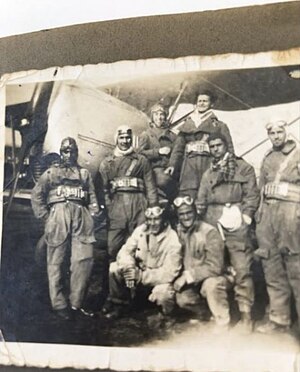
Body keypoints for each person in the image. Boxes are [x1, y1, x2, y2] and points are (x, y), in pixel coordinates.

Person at [196, 133, 260, 332]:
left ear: (226, 146)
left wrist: (246, 218)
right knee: (215, 268)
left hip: (236, 221)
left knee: (242, 270)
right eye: (212, 146)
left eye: (219, 145)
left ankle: (246, 315)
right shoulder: (209, 173)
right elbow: (201, 200)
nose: (215, 149)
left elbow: (252, 196)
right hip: (214, 222)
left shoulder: (243, 168)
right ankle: (220, 315)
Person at [31, 137, 100, 320]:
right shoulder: (51, 174)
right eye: (65, 151)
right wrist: (46, 217)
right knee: (56, 260)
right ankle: (59, 304)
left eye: (72, 151)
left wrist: (92, 214)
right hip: (58, 215)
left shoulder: (84, 174)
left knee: (83, 259)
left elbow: (92, 197)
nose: (69, 155)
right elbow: (36, 195)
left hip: (80, 215)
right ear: (61, 153)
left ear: (77, 153)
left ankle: (77, 303)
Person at [255, 120, 300, 334]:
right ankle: (280, 318)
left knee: (295, 267)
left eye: (279, 131)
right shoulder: (267, 157)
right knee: (271, 265)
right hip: (268, 214)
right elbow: (261, 187)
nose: (275, 136)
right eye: (271, 132)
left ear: (286, 132)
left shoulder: (297, 154)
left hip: (291, 214)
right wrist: (260, 213)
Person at [102, 206, 182, 322]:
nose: (152, 223)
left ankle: (165, 315)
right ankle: (120, 304)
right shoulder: (141, 230)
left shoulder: (173, 239)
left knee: (163, 294)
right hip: (138, 276)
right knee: (114, 268)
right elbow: (125, 251)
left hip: (158, 281)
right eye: (149, 219)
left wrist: (141, 276)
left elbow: (170, 273)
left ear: (164, 221)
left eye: (156, 219)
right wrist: (129, 266)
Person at [99, 125, 158, 261]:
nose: (125, 141)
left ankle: (138, 279)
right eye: (122, 138)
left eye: (127, 138)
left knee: (141, 246)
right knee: (113, 247)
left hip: (139, 204)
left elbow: (150, 186)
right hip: (117, 206)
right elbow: (104, 189)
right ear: (116, 139)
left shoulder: (142, 161)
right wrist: (110, 207)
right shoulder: (107, 163)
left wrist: (153, 206)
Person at [173, 196, 231, 330]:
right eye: (182, 214)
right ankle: (205, 313)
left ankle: (223, 321)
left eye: (189, 212)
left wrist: (187, 277)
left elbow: (215, 267)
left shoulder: (209, 232)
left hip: (216, 277)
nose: (186, 217)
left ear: (195, 212)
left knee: (211, 285)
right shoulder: (178, 232)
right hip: (195, 282)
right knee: (182, 299)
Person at [165, 90, 234, 199]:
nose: (201, 103)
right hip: (189, 169)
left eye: (205, 101)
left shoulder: (220, 126)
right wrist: (172, 165)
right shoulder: (186, 125)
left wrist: (227, 166)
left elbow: (229, 149)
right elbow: (178, 149)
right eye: (199, 101)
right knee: (188, 198)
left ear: (211, 104)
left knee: (209, 196)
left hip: (209, 166)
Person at [138, 103, 177, 201]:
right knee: (163, 181)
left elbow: (178, 153)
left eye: (162, 114)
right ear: (152, 117)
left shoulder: (173, 136)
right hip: (154, 169)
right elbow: (140, 153)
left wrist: (172, 165)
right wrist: (158, 152)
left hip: (170, 169)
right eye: (156, 114)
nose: (159, 118)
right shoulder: (146, 135)